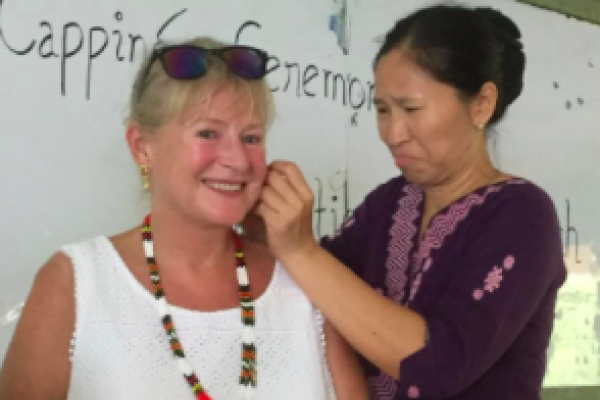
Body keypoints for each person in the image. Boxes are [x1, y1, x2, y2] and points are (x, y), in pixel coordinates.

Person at [0, 37, 368, 400]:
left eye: (252, 138)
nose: (238, 161)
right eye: (208, 133)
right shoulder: (76, 282)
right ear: (142, 147)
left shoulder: (305, 284)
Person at [254, 5, 566, 400]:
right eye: (382, 110)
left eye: (411, 109)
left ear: (482, 104)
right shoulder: (389, 203)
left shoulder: (523, 216)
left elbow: (440, 364)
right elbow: (315, 300)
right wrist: (265, 236)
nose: (392, 133)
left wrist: (300, 250)